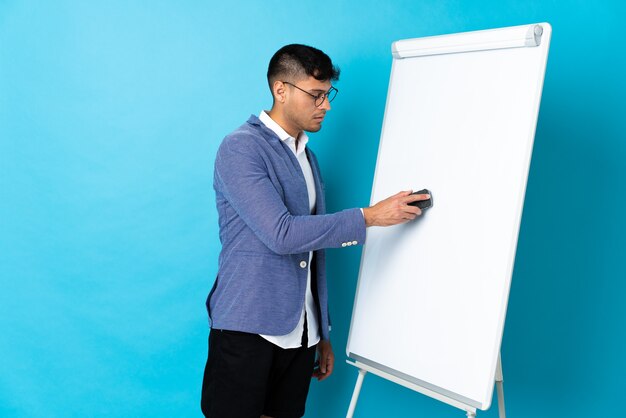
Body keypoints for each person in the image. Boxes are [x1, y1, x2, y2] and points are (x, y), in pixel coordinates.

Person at [201, 44, 429, 418]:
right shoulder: (241, 149)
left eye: (328, 95)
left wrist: (320, 329)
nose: (326, 105)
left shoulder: (307, 156)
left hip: (301, 333)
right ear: (281, 90)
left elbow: (313, 251)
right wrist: (368, 217)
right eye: (316, 95)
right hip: (247, 327)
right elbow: (283, 234)